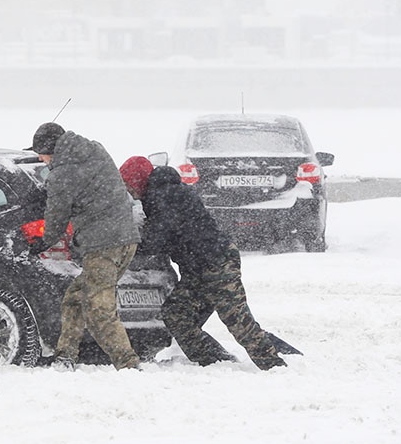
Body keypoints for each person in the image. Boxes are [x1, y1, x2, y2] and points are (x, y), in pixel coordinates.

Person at [118, 155, 286, 370]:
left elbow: (157, 238)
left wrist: (127, 245)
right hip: (197, 268)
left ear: (139, 180)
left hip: (216, 262)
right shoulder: (160, 193)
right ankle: (213, 360)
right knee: (176, 314)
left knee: (237, 321)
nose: (129, 191)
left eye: (128, 185)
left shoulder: (165, 195)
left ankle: (276, 366)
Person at [26, 122, 142, 371]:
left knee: (99, 309)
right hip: (127, 239)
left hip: (103, 246)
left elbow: (56, 215)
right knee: (76, 298)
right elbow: (88, 187)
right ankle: (65, 356)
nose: (40, 158)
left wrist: (43, 241)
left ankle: (129, 365)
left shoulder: (62, 174)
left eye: (41, 152)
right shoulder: (95, 151)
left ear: (50, 149)